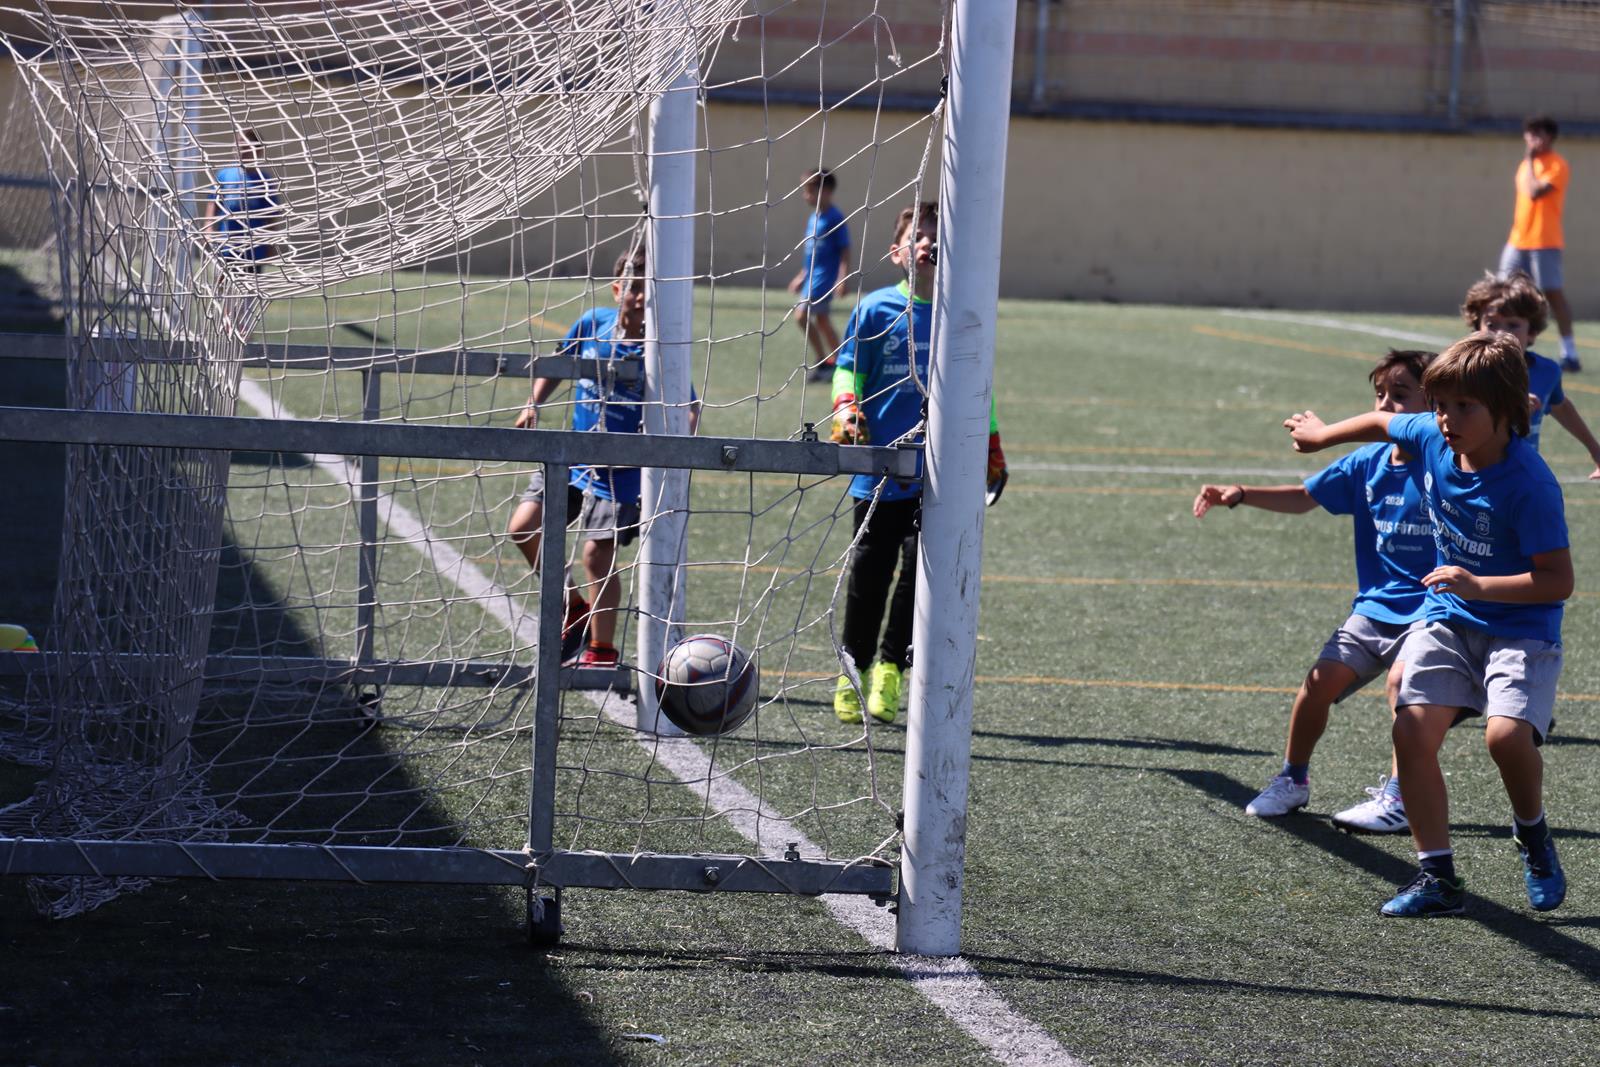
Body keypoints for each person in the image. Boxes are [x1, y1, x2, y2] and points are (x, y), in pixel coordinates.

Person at [1286, 332, 1572, 917]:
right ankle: (1437, 878)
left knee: (1505, 737)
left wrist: (1479, 585)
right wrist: (1321, 436)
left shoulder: (1530, 484)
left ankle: (1532, 832)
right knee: (1411, 731)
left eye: (1464, 407)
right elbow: (1380, 423)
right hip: (1449, 617)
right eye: (1440, 405)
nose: (1446, 419)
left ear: (1506, 409)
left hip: (1521, 626)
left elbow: (1557, 581)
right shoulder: (1432, 437)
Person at [1194, 350, 1435, 833]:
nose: (1384, 406)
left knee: (1402, 687)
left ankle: (1400, 795)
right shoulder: (1367, 462)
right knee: (1319, 682)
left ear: (1435, 404)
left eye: (1400, 395)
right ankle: (1293, 779)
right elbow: (1306, 497)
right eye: (1379, 394)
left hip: (1432, 610)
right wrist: (1241, 493)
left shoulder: (1444, 461)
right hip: (1375, 607)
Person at [829, 201, 1007, 724]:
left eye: (938, 236)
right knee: (868, 577)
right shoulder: (876, 309)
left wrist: (991, 442)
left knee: (919, 578)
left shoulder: (962, 314)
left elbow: (980, 387)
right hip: (878, 474)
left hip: (938, 479)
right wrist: (845, 408)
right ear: (897, 252)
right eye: (919, 236)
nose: (929, 244)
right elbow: (847, 368)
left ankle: (891, 669)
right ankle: (853, 670)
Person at [507, 246, 698, 668]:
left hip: (623, 470)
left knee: (596, 556)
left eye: (649, 290)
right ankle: (573, 605)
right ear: (617, 290)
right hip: (574, 457)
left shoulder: (663, 348)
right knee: (523, 527)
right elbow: (559, 362)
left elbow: (690, 405)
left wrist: (679, 443)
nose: (640, 297)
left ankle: (602, 650)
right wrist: (533, 403)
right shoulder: (593, 323)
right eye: (633, 287)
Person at [1461, 270, 1600, 477]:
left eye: (1513, 325)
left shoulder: (1547, 372)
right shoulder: (1465, 371)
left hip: (1523, 475)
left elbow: (1560, 406)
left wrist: (1595, 450)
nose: (1500, 333)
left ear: (1532, 333)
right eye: (1491, 324)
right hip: (1476, 476)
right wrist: (1512, 409)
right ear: (1476, 328)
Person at [1499, 115, 1579, 371]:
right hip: (1518, 239)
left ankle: (1569, 352)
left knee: (1552, 293)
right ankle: (1501, 345)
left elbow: (1535, 192)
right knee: (1501, 290)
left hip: (1545, 240)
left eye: (1539, 134)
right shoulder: (1525, 165)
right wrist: (1530, 161)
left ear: (1550, 137)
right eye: (1530, 133)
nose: (1533, 139)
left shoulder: (1557, 165)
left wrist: (1532, 161)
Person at [789, 169, 852, 383]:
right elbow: (812, 253)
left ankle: (824, 361)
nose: (806, 196)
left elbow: (845, 249)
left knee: (801, 315)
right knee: (823, 321)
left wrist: (842, 278)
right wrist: (802, 275)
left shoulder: (835, 218)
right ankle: (840, 363)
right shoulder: (813, 218)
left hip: (824, 279)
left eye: (810, 191)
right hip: (811, 278)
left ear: (826, 191)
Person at [205, 128, 281, 271]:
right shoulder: (223, 175)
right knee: (223, 281)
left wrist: (271, 244)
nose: (242, 151)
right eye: (239, 145)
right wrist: (209, 231)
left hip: (254, 249)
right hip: (226, 246)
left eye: (246, 147)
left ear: (258, 151)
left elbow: (271, 217)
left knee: (250, 283)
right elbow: (212, 207)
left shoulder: (265, 180)